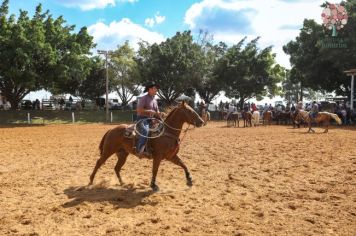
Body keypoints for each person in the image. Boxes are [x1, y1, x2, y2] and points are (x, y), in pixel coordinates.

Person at [135, 81, 160, 158]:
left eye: (156, 89)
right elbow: (138, 110)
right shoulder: (143, 98)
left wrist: (159, 113)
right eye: (155, 89)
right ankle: (140, 149)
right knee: (145, 130)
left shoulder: (155, 100)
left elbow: (157, 110)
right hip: (142, 119)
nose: (156, 90)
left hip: (151, 120)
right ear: (150, 89)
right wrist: (149, 111)